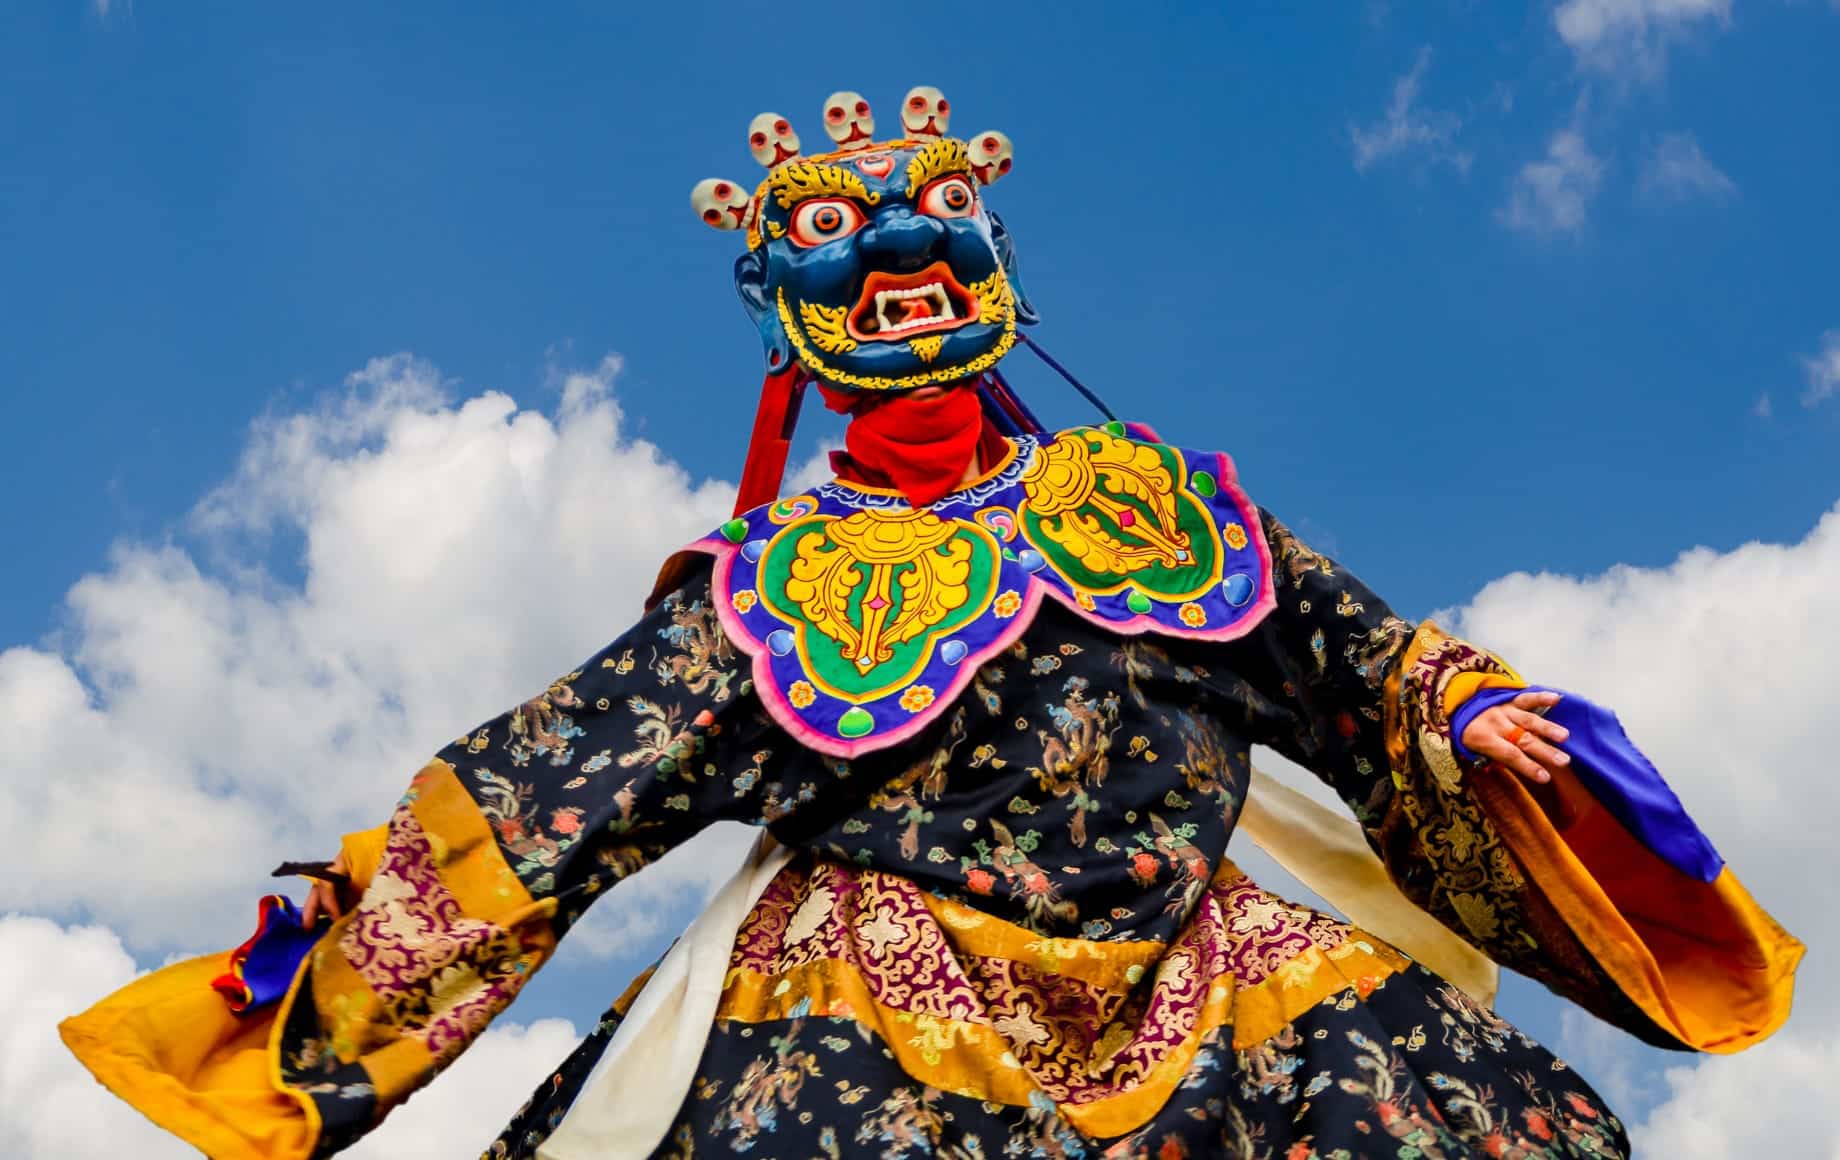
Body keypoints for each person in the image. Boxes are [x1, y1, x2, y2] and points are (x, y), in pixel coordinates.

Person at [63, 88, 1801, 1160]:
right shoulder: (765, 597)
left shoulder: (1145, 505)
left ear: (994, 272)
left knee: (1433, 1118)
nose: (895, 258)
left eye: (932, 228)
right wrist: (334, 935)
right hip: (882, 988)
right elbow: (552, 798)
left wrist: (1453, 703)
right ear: (795, 317)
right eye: (837, 244)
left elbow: (1343, 652)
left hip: (1208, 966)